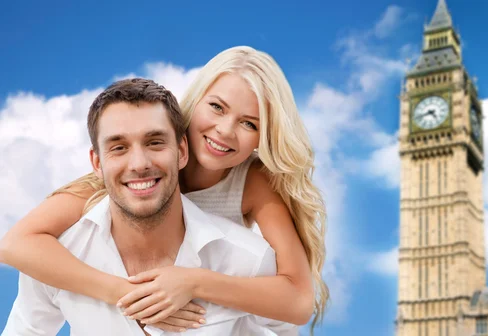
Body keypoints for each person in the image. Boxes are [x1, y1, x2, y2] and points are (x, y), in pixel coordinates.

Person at [0, 46, 328, 333]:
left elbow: (298, 301)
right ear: (195, 102)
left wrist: (193, 281)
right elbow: (15, 244)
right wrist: (125, 293)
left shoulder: (252, 183)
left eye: (250, 124)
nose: (225, 131)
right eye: (217, 107)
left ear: (263, 138)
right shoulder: (128, 176)